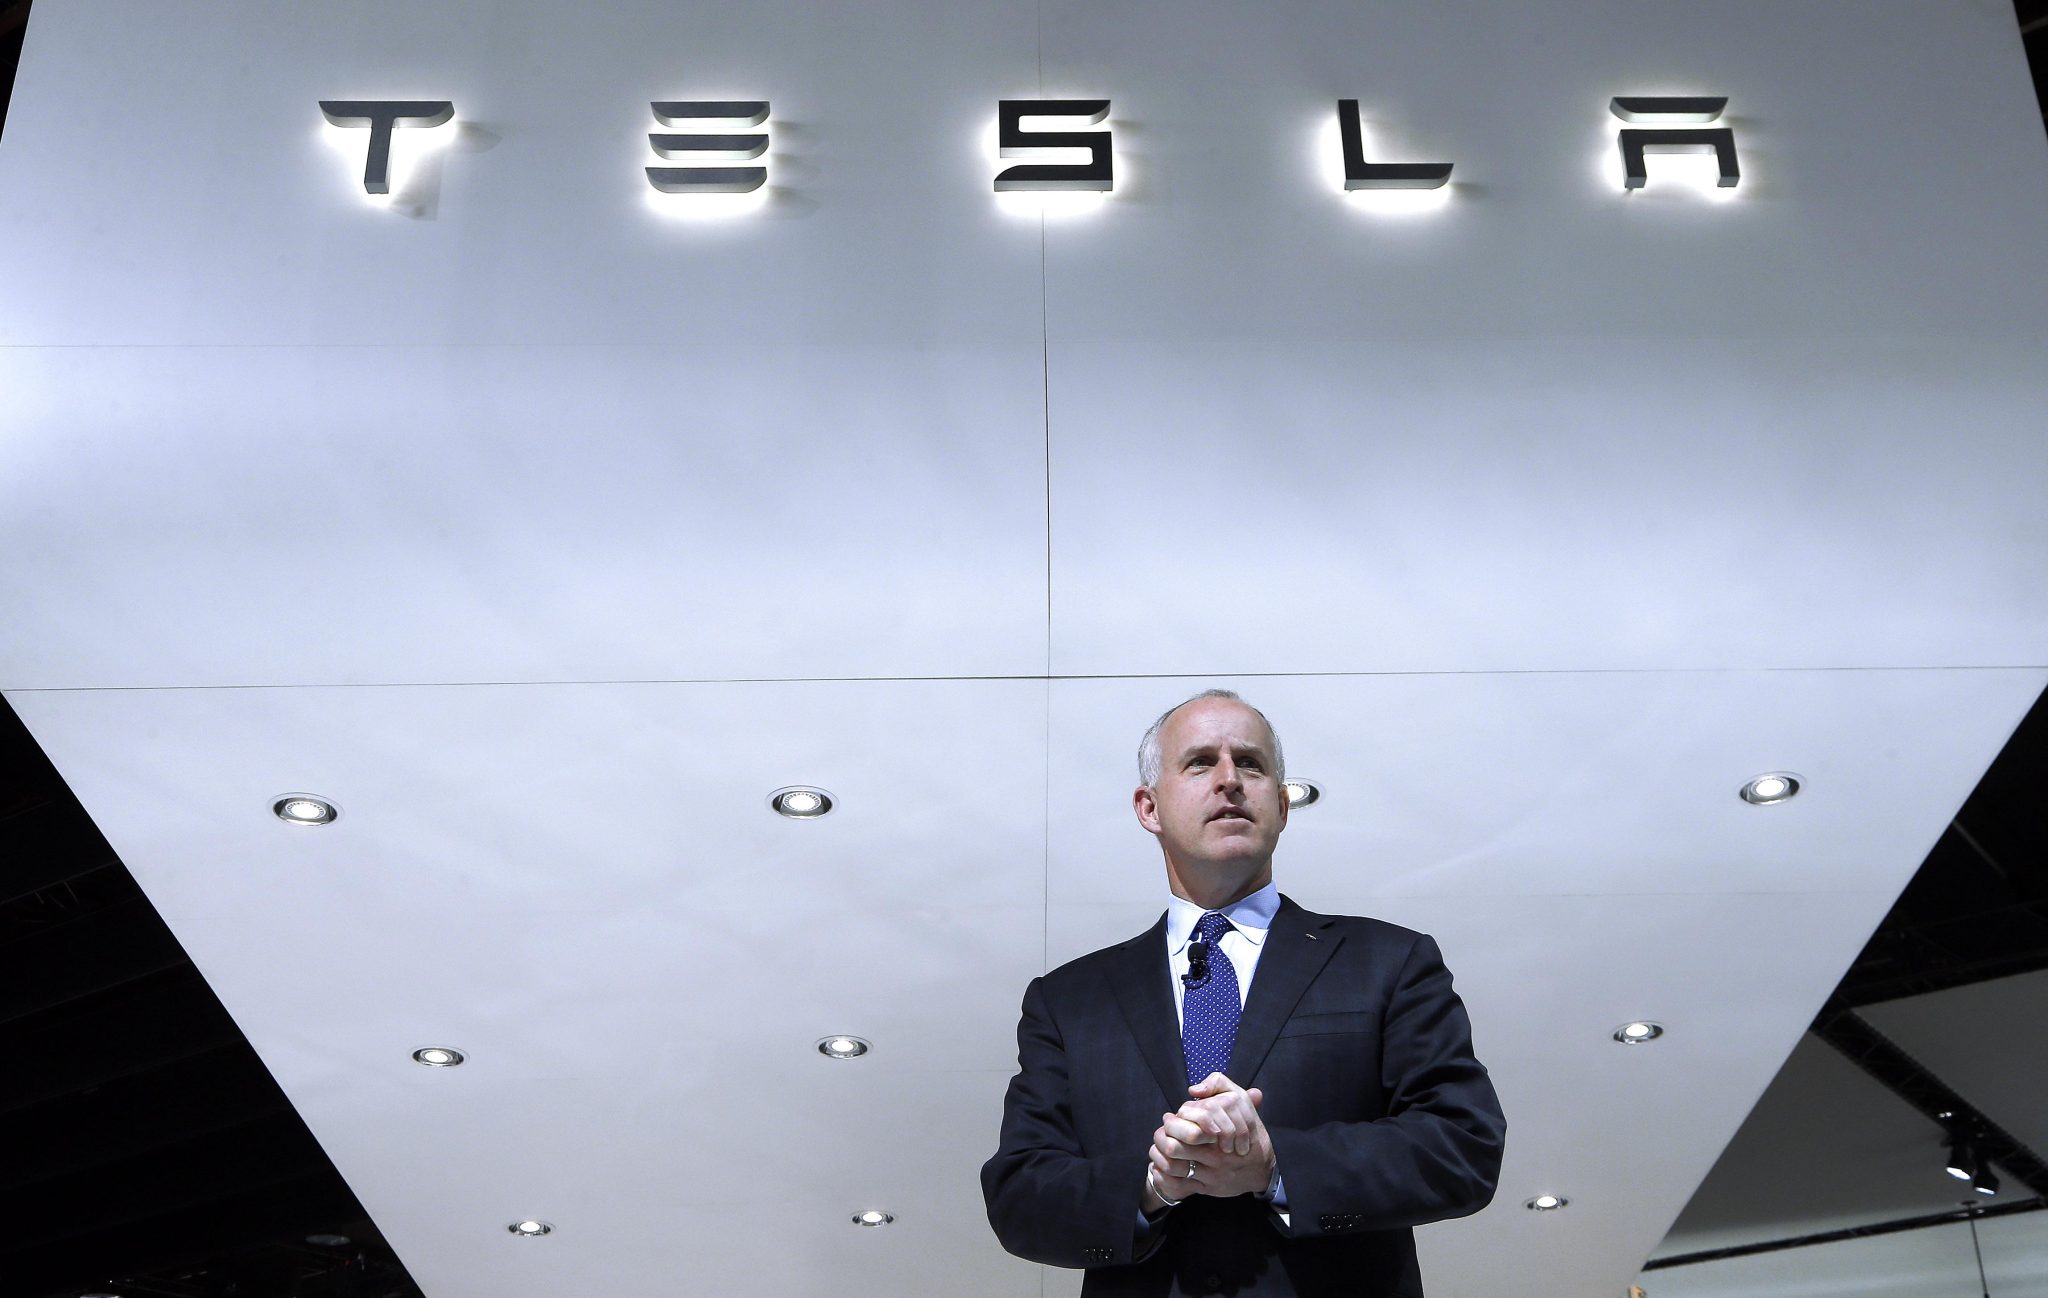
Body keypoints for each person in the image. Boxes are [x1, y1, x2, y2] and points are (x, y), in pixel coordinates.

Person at [982, 690, 1505, 1297]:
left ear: (1281, 807)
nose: (1229, 779)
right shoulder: (1068, 1001)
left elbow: (1462, 1143)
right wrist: (1153, 1184)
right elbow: (1020, 1194)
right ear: (1149, 808)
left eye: (1251, 764)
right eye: (1200, 762)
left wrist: (1275, 1164)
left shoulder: (1388, 961)